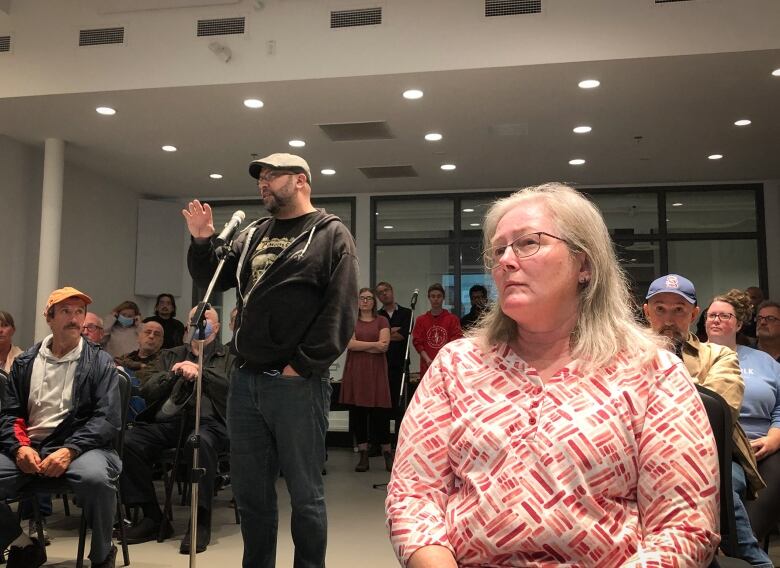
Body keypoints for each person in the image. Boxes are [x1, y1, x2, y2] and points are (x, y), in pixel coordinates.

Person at [386, 184, 719, 567]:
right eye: (498, 250)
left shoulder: (652, 371)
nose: (506, 261)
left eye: (528, 243)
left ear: (584, 265)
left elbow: (684, 527)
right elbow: (413, 496)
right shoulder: (456, 366)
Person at [183, 152, 358, 568]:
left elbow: (340, 311)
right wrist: (203, 239)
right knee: (252, 495)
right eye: (260, 176)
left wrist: (300, 366)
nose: (262, 182)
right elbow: (213, 278)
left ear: (300, 181)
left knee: (305, 495)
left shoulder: (330, 234)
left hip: (296, 384)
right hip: (245, 382)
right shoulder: (254, 233)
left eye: (272, 175)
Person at [643, 275, 767, 567]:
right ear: (646, 311)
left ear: (693, 314)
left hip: (713, 454)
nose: (669, 319)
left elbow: (718, 413)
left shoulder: (718, 355)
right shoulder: (624, 355)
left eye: (679, 310)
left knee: (714, 480)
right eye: (660, 309)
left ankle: (753, 558)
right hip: (642, 458)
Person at [0, 287, 121, 568]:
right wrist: (20, 448)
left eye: (79, 312)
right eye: (66, 311)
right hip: (32, 447)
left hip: (83, 447)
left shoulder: (99, 361)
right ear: (49, 317)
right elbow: (9, 414)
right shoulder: (25, 362)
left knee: (96, 479)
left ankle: (103, 554)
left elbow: (107, 418)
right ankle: (22, 544)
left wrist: (70, 449)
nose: (74, 318)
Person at [121, 306, 231, 554]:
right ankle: (152, 517)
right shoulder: (170, 355)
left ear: (218, 326)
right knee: (129, 441)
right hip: (169, 422)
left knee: (198, 442)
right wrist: (174, 374)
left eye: (207, 319)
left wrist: (202, 372)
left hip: (209, 424)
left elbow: (231, 389)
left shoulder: (228, 357)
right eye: (196, 319)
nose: (202, 323)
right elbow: (147, 390)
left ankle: (200, 520)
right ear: (187, 326)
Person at [706, 289, 780, 546]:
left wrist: (775, 437)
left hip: (766, 445)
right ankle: (743, 550)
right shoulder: (691, 356)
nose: (716, 320)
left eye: (724, 315)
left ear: (738, 323)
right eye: (712, 315)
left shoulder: (765, 362)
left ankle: (744, 547)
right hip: (715, 447)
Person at [339, 288, 391, 472]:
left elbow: (384, 346)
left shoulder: (382, 320)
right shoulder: (351, 320)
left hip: (376, 372)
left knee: (380, 414)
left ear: (374, 302)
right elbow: (350, 344)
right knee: (359, 413)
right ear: (358, 301)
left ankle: (387, 454)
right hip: (357, 372)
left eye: (369, 298)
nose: (366, 301)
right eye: (362, 298)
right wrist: (374, 345)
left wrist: (365, 346)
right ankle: (363, 456)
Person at [375, 281, 413, 443]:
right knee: (380, 408)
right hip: (380, 366)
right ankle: (380, 444)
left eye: (387, 290)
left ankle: (399, 443)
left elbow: (403, 335)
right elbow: (375, 337)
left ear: (392, 291)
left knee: (400, 407)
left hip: (400, 367)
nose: (384, 294)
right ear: (378, 297)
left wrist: (385, 334)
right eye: (381, 292)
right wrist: (393, 331)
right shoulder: (376, 316)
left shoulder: (407, 313)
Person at [411, 283, 462, 378]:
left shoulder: (452, 319)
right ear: (429, 298)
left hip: (447, 364)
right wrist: (427, 360)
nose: (436, 299)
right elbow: (417, 342)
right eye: (433, 296)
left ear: (443, 298)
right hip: (427, 365)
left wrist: (443, 358)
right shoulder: (421, 320)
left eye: (439, 296)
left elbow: (456, 340)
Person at [115, 320, 165, 386]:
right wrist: (138, 365)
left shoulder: (164, 362)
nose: (151, 336)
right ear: (139, 337)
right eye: (148, 332)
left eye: (156, 334)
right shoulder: (127, 357)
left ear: (161, 341)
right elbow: (114, 362)